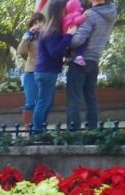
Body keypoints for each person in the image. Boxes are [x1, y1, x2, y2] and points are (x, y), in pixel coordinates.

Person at [66, 0, 118, 130]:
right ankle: (92, 131)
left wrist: (68, 36)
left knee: (74, 99)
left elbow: (78, 40)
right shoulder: (111, 14)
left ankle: (73, 133)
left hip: (79, 61)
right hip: (94, 61)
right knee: (91, 98)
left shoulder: (90, 15)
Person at [33, 0, 75, 132]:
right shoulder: (51, 31)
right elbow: (55, 51)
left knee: (46, 102)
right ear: (60, 11)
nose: (66, 13)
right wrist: (68, 36)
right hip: (47, 72)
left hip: (45, 71)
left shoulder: (48, 29)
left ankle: (40, 129)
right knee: (43, 103)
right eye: (64, 10)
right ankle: (37, 131)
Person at [16, 12, 46, 130]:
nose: (37, 25)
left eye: (40, 22)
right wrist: (28, 35)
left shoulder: (48, 35)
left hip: (45, 71)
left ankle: (39, 127)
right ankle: (28, 127)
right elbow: (21, 51)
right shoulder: (29, 36)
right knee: (30, 102)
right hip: (31, 72)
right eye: (35, 23)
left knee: (42, 102)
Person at [63, 0, 88, 66]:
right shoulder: (76, 13)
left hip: (66, 35)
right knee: (83, 42)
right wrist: (83, 17)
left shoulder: (66, 16)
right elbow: (77, 20)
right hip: (73, 33)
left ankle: (67, 58)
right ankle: (79, 57)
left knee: (69, 48)